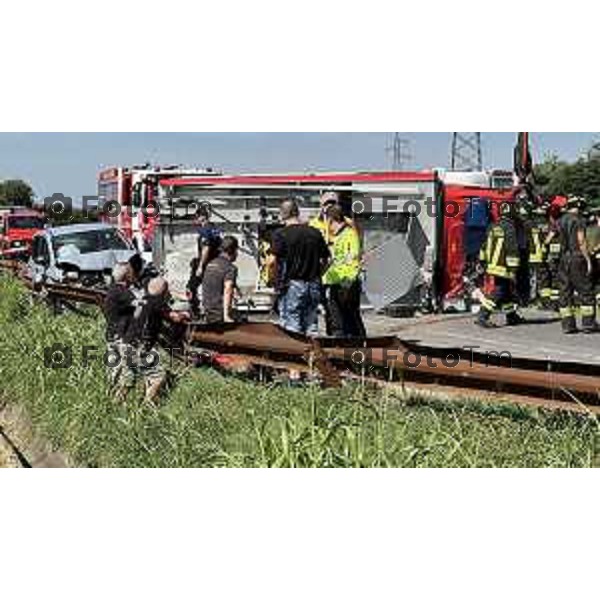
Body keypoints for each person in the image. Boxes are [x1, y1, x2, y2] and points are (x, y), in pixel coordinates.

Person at [121, 277, 188, 404]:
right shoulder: (158, 302)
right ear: (164, 291)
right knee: (159, 376)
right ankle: (147, 405)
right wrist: (185, 315)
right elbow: (175, 318)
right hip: (140, 346)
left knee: (128, 379)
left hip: (126, 343)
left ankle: (115, 403)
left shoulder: (142, 301)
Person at [272, 199, 330, 336]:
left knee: (291, 324)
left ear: (282, 214)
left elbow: (272, 262)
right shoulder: (315, 233)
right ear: (297, 212)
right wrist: (318, 274)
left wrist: (275, 281)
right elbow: (328, 259)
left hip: (292, 284)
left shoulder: (281, 234)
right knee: (311, 325)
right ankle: (314, 354)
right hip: (314, 284)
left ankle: (294, 355)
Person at [551, 196, 598, 334]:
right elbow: (581, 241)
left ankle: (567, 325)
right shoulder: (579, 220)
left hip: (563, 259)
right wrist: (588, 260)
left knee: (565, 292)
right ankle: (588, 324)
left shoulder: (559, 220)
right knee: (586, 291)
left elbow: (549, 238)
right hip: (577, 258)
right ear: (579, 206)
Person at [477, 202, 524, 328]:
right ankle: (483, 315)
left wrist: (482, 262)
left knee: (506, 291)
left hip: (492, 264)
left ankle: (511, 316)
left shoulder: (493, 226)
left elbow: (484, 246)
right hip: (503, 266)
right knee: (499, 291)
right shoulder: (509, 227)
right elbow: (512, 249)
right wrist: (513, 270)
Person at [323, 205, 366, 338]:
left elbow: (352, 260)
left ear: (331, 220)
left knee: (349, 319)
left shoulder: (349, 234)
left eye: (327, 221)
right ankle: (348, 344)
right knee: (341, 320)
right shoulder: (340, 236)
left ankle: (358, 345)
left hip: (345, 283)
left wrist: (347, 282)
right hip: (338, 282)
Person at [103, 262, 136, 390]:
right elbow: (140, 304)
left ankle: (108, 403)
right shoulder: (123, 292)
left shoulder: (111, 290)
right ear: (127, 276)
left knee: (113, 374)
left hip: (111, 335)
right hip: (123, 338)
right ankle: (120, 406)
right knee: (127, 377)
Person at [187, 206, 222, 316]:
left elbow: (206, 248)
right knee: (213, 290)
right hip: (215, 264)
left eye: (196, 217)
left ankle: (195, 311)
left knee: (190, 287)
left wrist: (200, 266)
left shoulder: (205, 230)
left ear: (201, 217)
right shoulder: (214, 229)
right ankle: (214, 311)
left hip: (206, 264)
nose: (196, 220)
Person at [201, 235, 240, 325]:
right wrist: (226, 316)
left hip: (207, 311)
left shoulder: (210, 264)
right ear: (233, 250)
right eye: (237, 250)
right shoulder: (230, 268)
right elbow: (228, 289)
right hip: (219, 313)